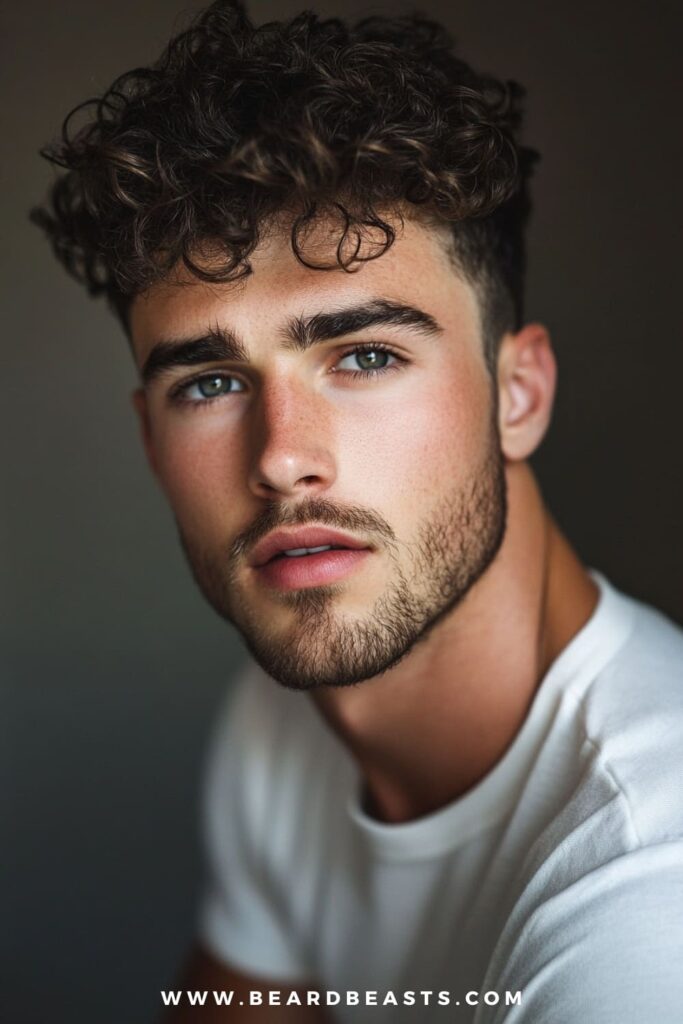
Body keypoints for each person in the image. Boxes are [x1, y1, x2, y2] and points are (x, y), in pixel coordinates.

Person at [33, 1, 683, 1020]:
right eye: (207, 382)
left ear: (517, 394)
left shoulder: (641, 909)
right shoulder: (284, 717)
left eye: (365, 355)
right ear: (151, 442)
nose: (283, 457)